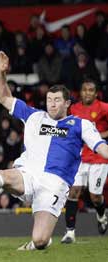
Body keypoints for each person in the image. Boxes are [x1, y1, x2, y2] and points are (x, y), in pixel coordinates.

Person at [0, 51, 108, 251]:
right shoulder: (33, 116)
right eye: (49, 100)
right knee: (7, 176)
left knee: (40, 241)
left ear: (67, 103)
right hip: (28, 172)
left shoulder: (81, 125)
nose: (52, 104)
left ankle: (40, 240)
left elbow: (100, 147)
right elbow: (4, 98)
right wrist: (1, 73)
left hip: (55, 183)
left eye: (56, 100)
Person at [61, 79, 108, 244]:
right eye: (84, 90)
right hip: (79, 158)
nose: (87, 93)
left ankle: (102, 214)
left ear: (96, 93)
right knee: (73, 192)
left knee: (95, 197)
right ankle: (69, 233)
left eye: (90, 90)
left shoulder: (104, 108)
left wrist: (100, 136)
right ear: (80, 92)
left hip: (99, 158)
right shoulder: (74, 109)